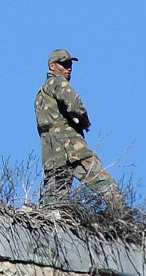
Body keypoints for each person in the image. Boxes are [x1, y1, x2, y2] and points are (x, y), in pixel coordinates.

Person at [34, 49, 126, 206]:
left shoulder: (39, 94)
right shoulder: (58, 82)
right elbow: (75, 105)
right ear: (52, 66)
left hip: (50, 148)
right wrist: (84, 121)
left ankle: (52, 219)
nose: (68, 68)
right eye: (63, 64)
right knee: (95, 174)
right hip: (69, 143)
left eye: (69, 64)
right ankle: (120, 210)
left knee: (55, 188)